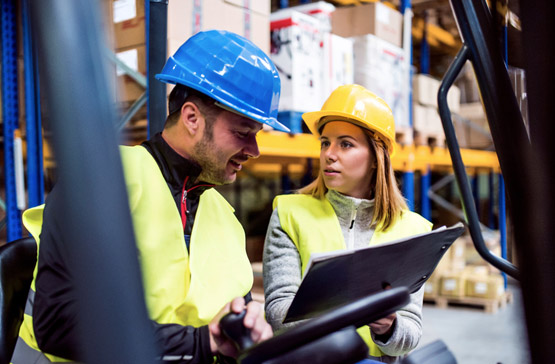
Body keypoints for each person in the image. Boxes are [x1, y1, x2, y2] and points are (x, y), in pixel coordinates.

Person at [12, 30, 290, 363]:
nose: (254, 150)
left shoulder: (226, 221)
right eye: (243, 133)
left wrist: (247, 329)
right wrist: (199, 344)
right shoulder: (104, 180)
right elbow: (57, 324)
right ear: (191, 118)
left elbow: (229, 321)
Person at [263, 84, 433, 363]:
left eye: (345, 144)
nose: (329, 153)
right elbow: (280, 313)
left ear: (377, 158)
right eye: (325, 142)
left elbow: (410, 334)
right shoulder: (290, 213)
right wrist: (357, 311)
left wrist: (390, 327)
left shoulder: (411, 230)